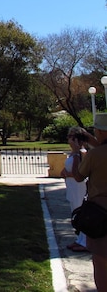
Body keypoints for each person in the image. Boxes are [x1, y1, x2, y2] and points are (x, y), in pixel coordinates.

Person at [71, 113, 107, 291]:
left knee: (101, 261)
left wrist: (78, 152)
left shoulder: (95, 155)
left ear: (100, 131)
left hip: (100, 213)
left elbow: (78, 176)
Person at [61, 126, 89, 252]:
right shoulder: (73, 153)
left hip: (79, 187)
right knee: (76, 214)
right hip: (72, 187)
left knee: (81, 214)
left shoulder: (81, 153)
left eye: (71, 137)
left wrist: (77, 152)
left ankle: (85, 242)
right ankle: (79, 239)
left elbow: (78, 173)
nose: (69, 139)